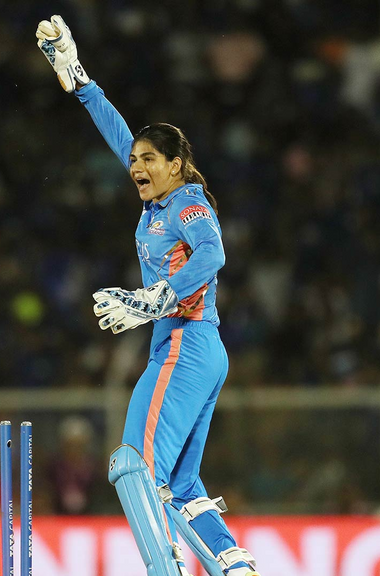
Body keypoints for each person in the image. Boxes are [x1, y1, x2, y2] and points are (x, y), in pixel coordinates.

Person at [36, 16, 259, 576]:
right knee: (181, 485)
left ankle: (166, 570)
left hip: (185, 345)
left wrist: (154, 299)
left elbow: (213, 254)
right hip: (197, 350)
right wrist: (78, 78)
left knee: (134, 466)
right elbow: (117, 132)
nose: (135, 165)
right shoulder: (157, 199)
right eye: (134, 160)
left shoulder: (187, 202)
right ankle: (233, 566)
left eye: (147, 159)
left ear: (175, 165)